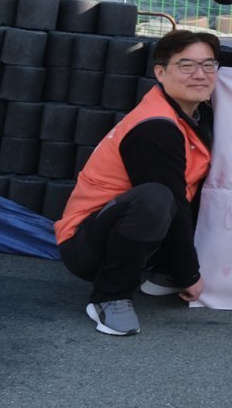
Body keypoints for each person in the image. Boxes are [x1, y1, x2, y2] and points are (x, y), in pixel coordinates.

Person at [55, 30, 220, 337]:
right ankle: (110, 296)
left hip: (137, 234)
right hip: (86, 244)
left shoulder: (196, 114)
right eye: (187, 66)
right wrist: (189, 274)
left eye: (209, 65)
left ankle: (165, 272)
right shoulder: (155, 127)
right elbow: (169, 199)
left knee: (209, 186)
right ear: (160, 72)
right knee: (156, 198)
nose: (200, 75)